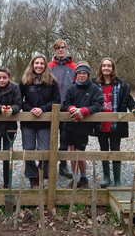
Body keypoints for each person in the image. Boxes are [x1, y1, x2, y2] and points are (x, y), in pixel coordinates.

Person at [93, 57, 135, 187]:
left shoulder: (122, 85)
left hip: (116, 124)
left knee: (115, 150)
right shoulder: (94, 84)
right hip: (100, 123)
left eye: (109, 66)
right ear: (101, 68)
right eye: (104, 66)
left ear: (113, 68)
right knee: (104, 150)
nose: (106, 68)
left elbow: (128, 99)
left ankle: (117, 180)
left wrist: (134, 108)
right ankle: (106, 177)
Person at [19, 54, 61, 188]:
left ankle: (43, 175)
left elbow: (56, 100)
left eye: (41, 63)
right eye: (36, 63)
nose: (39, 66)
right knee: (29, 150)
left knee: (44, 150)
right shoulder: (25, 81)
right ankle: (33, 179)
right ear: (32, 64)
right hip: (28, 122)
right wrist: (30, 109)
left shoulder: (51, 81)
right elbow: (19, 100)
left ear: (45, 65)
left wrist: (42, 109)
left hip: (45, 122)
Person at [61, 61, 103, 189]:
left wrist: (84, 111)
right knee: (72, 153)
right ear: (76, 75)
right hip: (70, 126)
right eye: (79, 73)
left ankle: (83, 177)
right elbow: (65, 104)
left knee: (80, 153)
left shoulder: (94, 89)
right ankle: (74, 178)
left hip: (83, 127)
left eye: (84, 73)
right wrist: (72, 109)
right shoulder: (72, 89)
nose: (82, 75)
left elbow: (98, 104)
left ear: (88, 75)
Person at [0, 66, 22, 188]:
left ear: (9, 78)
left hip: (9, 126)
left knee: (8, 155)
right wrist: (0, 109)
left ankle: (8, 182)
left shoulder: (15, 87)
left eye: (4, 78)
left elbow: (18, 104)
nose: (2, 80)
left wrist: (12, 109)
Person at [48, 39, 76, 179]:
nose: (60, 50)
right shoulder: (48, 67)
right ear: (54, 50)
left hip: (67, 108)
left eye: (63, 47)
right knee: (49, 137)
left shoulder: (74, 67)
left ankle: (63, 165)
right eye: (58, 48)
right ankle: (47, 164)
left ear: (66, 49)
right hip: (50, 108)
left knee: (65, 137)